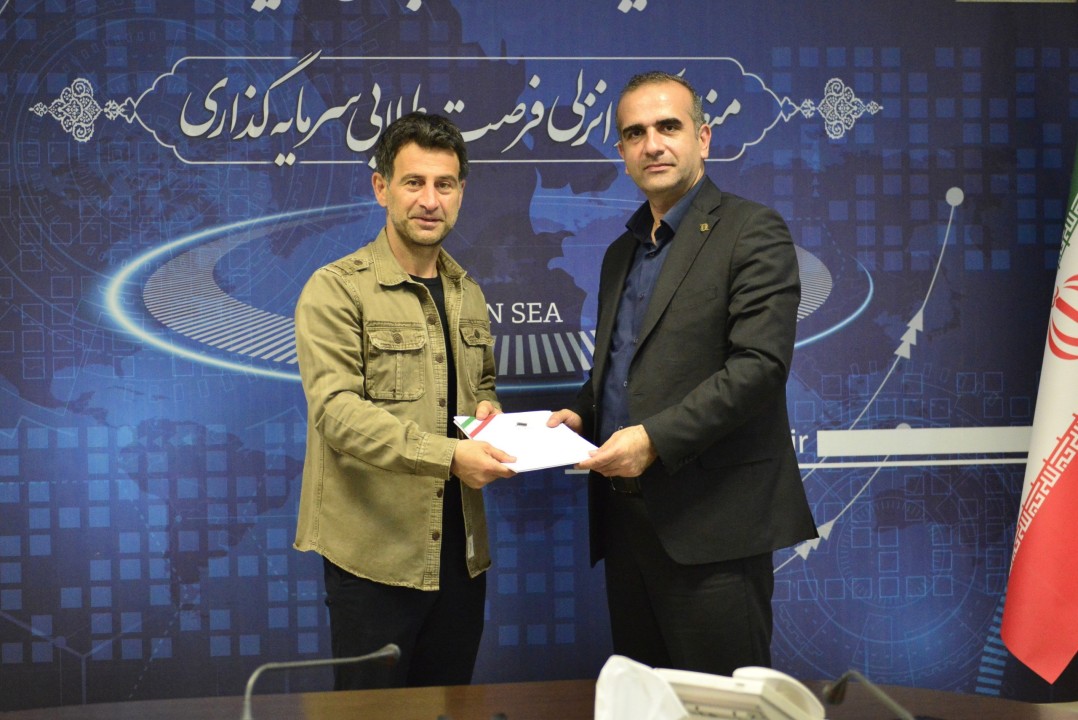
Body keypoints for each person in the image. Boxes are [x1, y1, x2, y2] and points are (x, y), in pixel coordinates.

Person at [548, 72, 818, 676]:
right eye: (634, 133)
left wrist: (652, 440)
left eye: (668, 127)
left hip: (713, 530)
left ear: (704, 137)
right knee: (644, 706)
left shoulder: (752, 231)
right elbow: (624, 367)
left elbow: (759, 368)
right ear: (622, 153)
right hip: (627, 528)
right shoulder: (621, 253)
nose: (652, 145)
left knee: (719, 709)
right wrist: (581, 414)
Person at [293, 112, 516, 690]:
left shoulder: (469, 292)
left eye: (445, 184)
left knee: (449, 708)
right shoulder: (336, 288)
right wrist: (450, 456)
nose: (430, 200)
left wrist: (488, 417)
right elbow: (336, 413)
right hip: (375, 562)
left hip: (461, 559)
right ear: (381, 187)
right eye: (414, 182)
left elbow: (479, 390)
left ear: (461, 192)